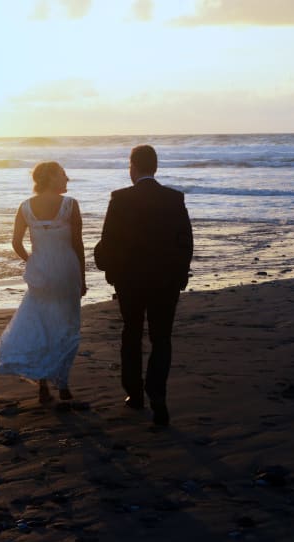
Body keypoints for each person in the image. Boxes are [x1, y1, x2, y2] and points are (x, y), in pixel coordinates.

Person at [94, 145, 193, 426]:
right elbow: (185, 241)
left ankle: (135, 393)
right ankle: (157, 394)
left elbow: (108, 240)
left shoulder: (120, 198)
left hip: (130, 281)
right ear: (156, 168)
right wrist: (181, 275)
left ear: (132, 167)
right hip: (166, 282)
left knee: (132, 334)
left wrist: (109, 270)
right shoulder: (174, 198)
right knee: (162, 338)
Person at [0, 161, 87, 403]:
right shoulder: (70, 205)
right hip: (66, 271)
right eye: (63, 174)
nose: (67, 179)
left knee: (42, 324)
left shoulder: (25, 207)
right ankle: (63, 383)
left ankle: (43, 385)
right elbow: (77, 244)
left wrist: (31, 260)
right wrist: (81, 277)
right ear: (50, 177)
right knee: (67, 326)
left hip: (40, 271)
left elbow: (16, 242)